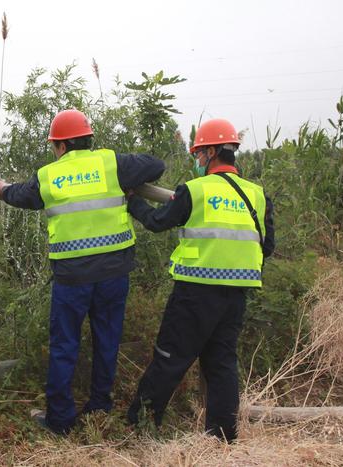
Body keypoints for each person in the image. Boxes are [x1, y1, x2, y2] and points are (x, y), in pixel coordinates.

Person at [0, 109, 165, 434]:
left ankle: (60, 420)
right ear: (88, 139)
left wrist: (1, 190)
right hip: (114, 272)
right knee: (107, 340)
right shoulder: (112, 163)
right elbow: (156, 165)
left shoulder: (49, 175)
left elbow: (19, 195)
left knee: (64, 345)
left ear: (59, 145)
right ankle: (100, 407)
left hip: (72, 276)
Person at [125, 118, 275, 442]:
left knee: (170, 358)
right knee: (221, 364)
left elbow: (155, 221)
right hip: (236, 295)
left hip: (195, 293)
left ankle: (140, 428)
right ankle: (222, 437)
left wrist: (133, 201)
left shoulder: (194, 190)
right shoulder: (256, 195)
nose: (197, 159)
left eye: (198, 153)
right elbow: (269, 245)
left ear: (209, 152)